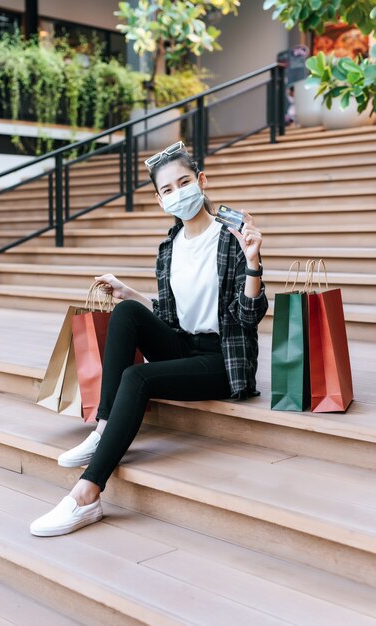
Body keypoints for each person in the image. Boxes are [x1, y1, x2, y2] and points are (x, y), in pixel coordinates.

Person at [30, 141, 268, 537]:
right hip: (184, 344)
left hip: (221, 360)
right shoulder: (168, 248)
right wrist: (129, 294)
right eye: (168, 189)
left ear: (202, 181)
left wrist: (254, 263)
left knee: (136, 378)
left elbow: (248, 318)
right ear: (160, 201)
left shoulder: (233, 239)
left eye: (185, 182)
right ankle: (105, 428)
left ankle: (86, 495)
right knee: (126, 312)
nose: (179, 193)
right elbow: (171, 318)